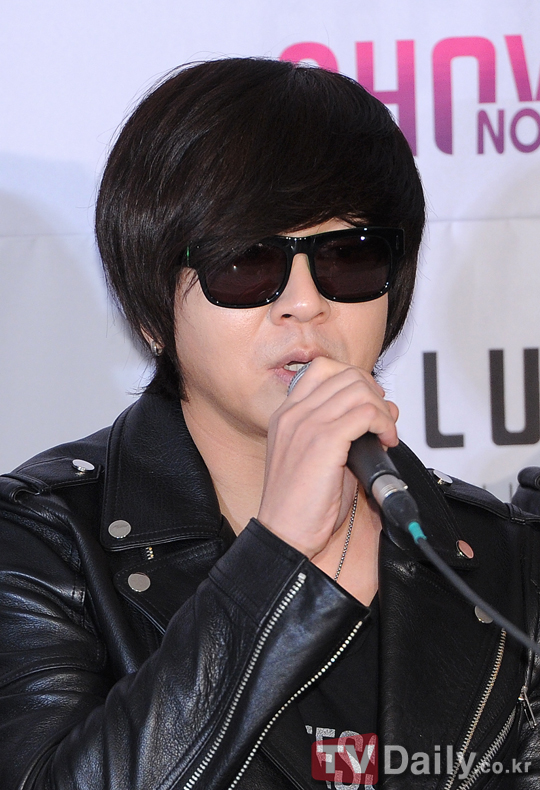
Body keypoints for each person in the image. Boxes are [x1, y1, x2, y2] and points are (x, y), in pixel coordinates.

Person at [0, 57, 540, 790]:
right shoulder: (44, 545)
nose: (304, 303)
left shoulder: (503, 559)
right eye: (247, 264)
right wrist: (277, 556)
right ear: (149, 311)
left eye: (348, 257)